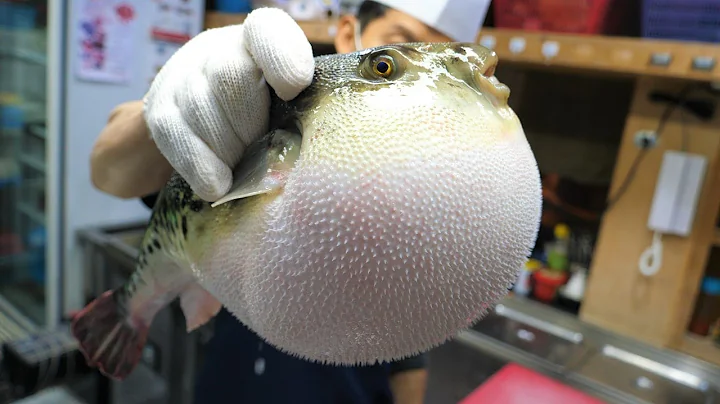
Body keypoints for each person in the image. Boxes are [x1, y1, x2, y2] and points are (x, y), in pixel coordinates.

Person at [89, 1, 489, 403]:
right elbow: (106, 171)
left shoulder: (434, 173)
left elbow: (415, 324)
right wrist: (159, 110)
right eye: (393, 59)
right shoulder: (268, 97)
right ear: (350, 35)